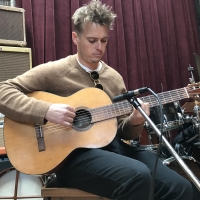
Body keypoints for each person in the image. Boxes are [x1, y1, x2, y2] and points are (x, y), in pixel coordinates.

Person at [0, 0, 197, 199]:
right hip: (72, 158)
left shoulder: (114, 78)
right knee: (138, 176)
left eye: (104, 40)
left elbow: (121, 130)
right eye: (92, 40)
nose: (99, 47)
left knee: (180, 187)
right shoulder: (56, 71)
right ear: (75, 38)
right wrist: (46, 111)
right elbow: (3, 90)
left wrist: (135, 122)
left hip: (113, 150)